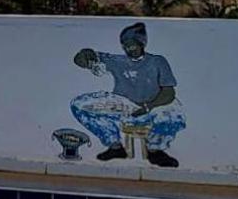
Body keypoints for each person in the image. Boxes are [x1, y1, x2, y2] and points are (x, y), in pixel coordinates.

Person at [70, 22, 184, 167]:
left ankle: (156, 151)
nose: (130, 49)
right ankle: (115, 146)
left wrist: (148, 107)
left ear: (142, 44)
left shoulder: (157, 61)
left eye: (133, 44)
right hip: (123, 104)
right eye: (126, 45)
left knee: (175, 116)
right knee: (79, 105)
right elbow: (86, 58)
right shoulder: (117, 61)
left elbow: (169, 92)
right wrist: (85, 56)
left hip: (154, 105)